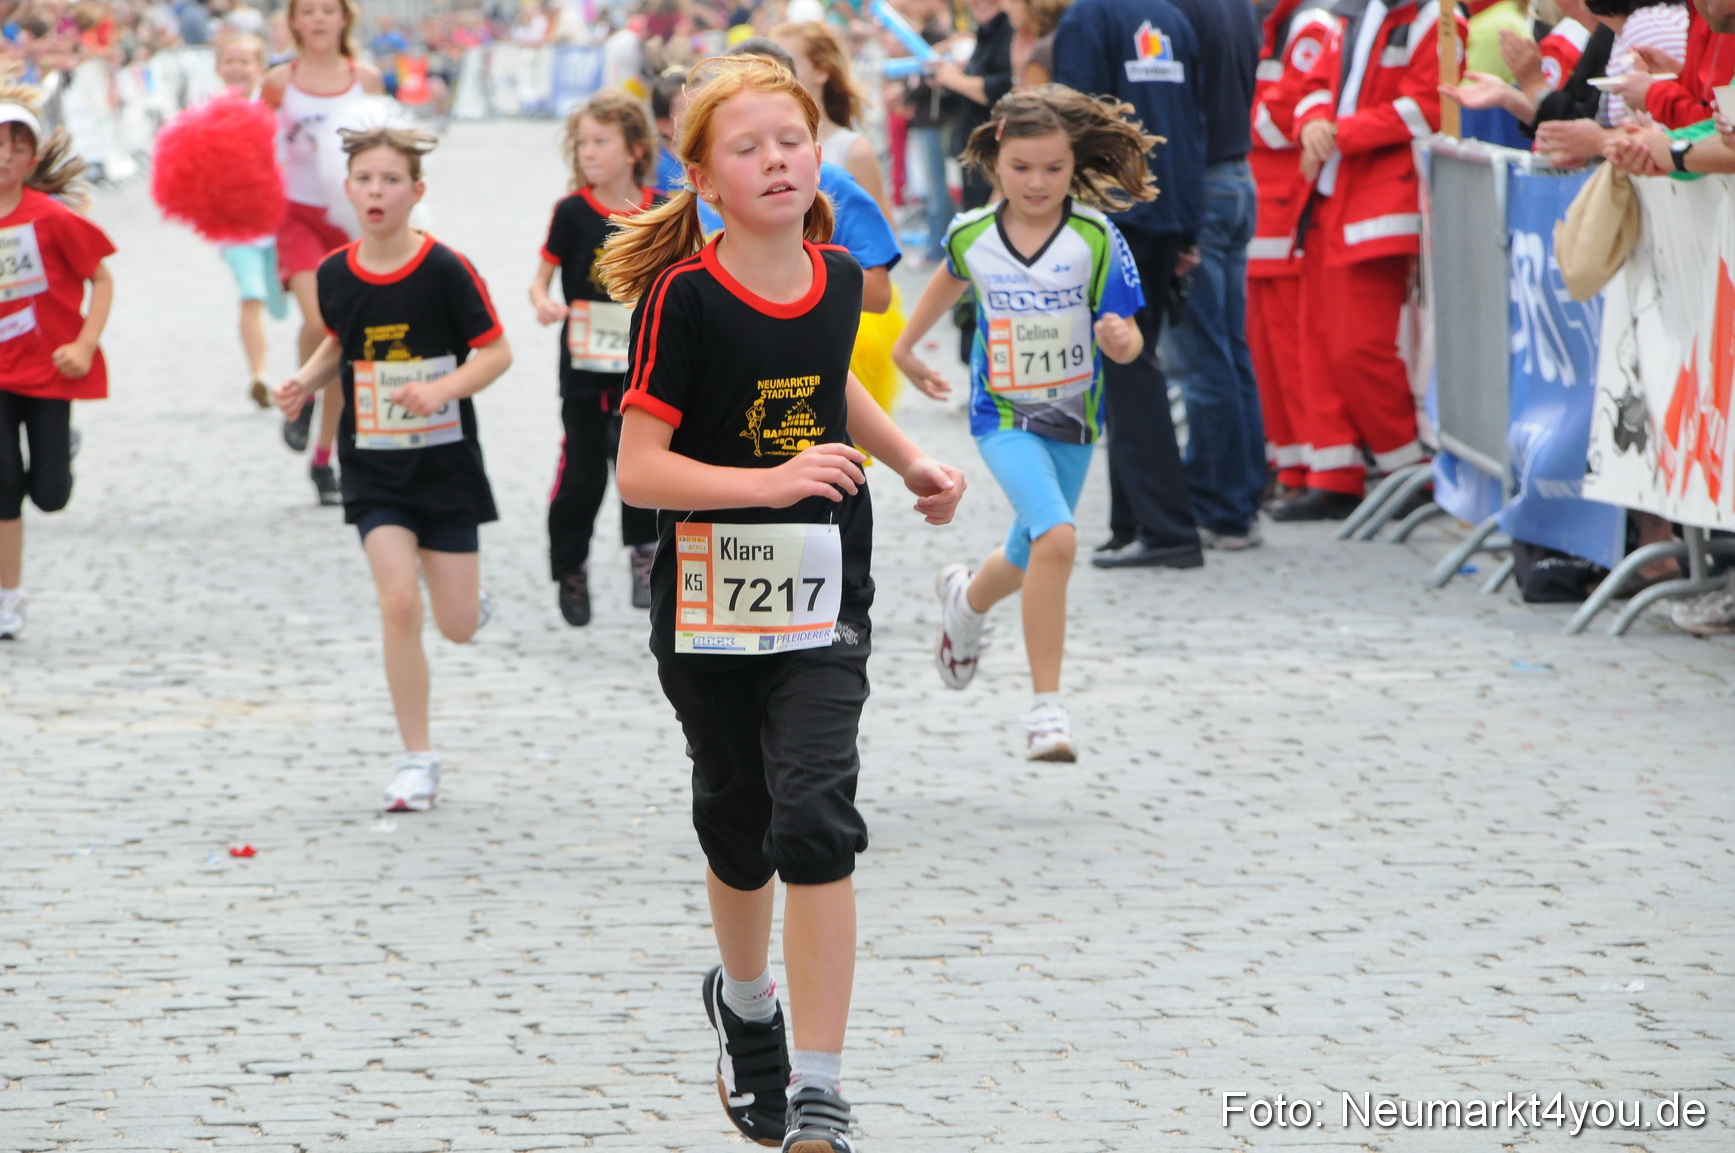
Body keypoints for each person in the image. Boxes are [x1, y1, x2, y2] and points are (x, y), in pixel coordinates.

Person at [596, 54, 966, 1153]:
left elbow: (827, 381)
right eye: (747, 148)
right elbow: (639, 471)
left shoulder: (838, 272)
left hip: (821, 601)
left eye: (790, 143)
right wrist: (766, 482)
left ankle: (820, 1085)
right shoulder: (684, 298)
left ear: (820, 158)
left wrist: (906, 461)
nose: (774, 161)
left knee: (814, 818)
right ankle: (746, 1002)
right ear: (703, 178)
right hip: (708, 607)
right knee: (737, 824)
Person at [893, 84, 1151, 761]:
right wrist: (904, 349)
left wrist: (1120, 340)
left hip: (1074, 419)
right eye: (1021, 168)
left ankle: (965, 601)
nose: (1037, 182)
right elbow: (946, 278)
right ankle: (1046, 710)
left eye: (1053, 169)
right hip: (1002, 415)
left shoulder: (1094, 237)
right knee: (1058, 540)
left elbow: (1128, 338)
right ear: (993, 163)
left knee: (1028, 552)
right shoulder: (972, 233)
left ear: (1073, 166)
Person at [272, 125, 511, 813]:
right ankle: (417, 759)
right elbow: (341, 348)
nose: (376, 192)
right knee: (398, 599)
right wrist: (305, 382)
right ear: (347, 190)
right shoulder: (336, 273)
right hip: (373, 466)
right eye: (365, 180)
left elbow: (495, 353)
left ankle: (470, 601)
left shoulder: (446, 269)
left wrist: (442, 389)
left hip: (444, 465)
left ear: (416, 192)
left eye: (391, 181)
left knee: (458, 623)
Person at [1052, 0, 1207, 567]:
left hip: (1116, 215)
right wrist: (1188, 221)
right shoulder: (1172, 16)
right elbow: (1192, 121)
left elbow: (1069, 128)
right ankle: (1132, 521)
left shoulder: (1088, 19)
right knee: (1127, 372)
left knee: (1129, 372)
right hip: (1164, 209)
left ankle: (1166, 529)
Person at [529, 89, 662, 627]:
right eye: (582, 142)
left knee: (641, 463)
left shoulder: (659, 210)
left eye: (601, 142)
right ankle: (571, 567)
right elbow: (539, 280)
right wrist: (544, 303)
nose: (589, 152)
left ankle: (645, 553)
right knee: (581, 472)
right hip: (584, 367)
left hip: (644, 367)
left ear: (633, 149)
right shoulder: (571, 212)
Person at [0, 87, 114, 643]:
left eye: (14, 147)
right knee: (2, 486)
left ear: (31, 159)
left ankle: (58, 451)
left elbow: (102, 277)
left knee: (48, 494)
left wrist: (86, 344)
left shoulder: (51, 217)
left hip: (48, 371)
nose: (2, 156)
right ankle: (8, 597)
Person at [263, 0, 385, 506]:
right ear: (293, 21)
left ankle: (324, 457)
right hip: (295, 213)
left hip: (350, 216)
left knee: (346, 333)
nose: (316, 19)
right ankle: (305, 392)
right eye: (306, 11)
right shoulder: (277, 82)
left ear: (344, 19)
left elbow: (386, 149)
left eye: (326, 10)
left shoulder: (368, 79)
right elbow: (258, 148)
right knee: (318, 320)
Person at [1159, 0, 1263, 548]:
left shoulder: (1182, 10)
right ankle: (1239, 497)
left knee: (1205, 360)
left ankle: (1223, 505)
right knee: (1226, 352)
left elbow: (1179, 110)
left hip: (1205, 182)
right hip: (1233, 176)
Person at [1247, 0, 1336, 503]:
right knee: (1266, 349)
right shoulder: (1269, 22)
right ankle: (1289, 465)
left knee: (1292, 348)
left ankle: (1308, 468)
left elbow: (1279, 122)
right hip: (1265, 208)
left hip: (1286, 205)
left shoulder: (1310, 23)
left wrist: (1237, 109)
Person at [213, 32, 290, 409]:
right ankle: (259, 373)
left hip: (278, 221)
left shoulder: (275, 111)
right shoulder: (207, 116)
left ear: (260, 69)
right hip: (236, 226)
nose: (237, 67)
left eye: (245, 61)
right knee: (251, 294)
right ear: (218, 68)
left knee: (281, 302)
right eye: (230, 60)